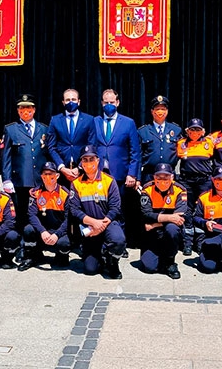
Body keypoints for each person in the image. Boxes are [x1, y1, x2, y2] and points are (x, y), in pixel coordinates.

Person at [69, 145, 125, 279]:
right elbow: (74, 210)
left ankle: (112, 262)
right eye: (85, 160)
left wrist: (101, 226)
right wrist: (93, 223)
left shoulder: (109, 181)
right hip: (89, 226)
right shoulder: (76, 184)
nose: (89, 163)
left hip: (108, 223)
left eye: (91, 159)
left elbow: (115, 208)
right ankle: (100, 255)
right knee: (90, 269)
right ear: (81, 163)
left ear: (98, 160)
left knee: (118, 239)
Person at [93, 89, 141, 247]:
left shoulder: (128, 123)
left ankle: (120, 243)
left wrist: (132, 174)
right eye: (106, 102)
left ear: (118, 103)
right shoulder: (95, 121)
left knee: (119, 209)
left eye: (112, 102)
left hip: (120, 175)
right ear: (101, 103)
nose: (109, 105)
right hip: (98, 174)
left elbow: (135, 151)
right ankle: (101, 240)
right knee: (98, 207)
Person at [1, 94, 49, 237]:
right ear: (18, 111)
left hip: (40, 181)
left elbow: (47, 153)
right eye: (21, 108)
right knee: (21, 214)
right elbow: (6, 157)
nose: (25, 111)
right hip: (20, 181)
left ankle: (38, 245)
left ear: (34, 109)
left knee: (41, 213)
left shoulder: (44, 129)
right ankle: (22, 246)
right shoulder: (11, 129)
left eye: (28, 107)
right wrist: (6, 179)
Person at [18, 162, 70, 271]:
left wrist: (57, 234)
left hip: (57, 232)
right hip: (42, 232)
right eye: (45, 174)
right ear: (41, 176)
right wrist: (42, 231)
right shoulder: (36, 193)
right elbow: (31, 215)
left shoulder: (65, 193)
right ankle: (32, 256)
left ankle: (61, 257)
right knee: (28, 229)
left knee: (64, 244)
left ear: (57, 175)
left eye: (51, 174)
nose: (48, 177)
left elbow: (68, 219)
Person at [139, 163, 187, 279]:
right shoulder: (146, 190)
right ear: (154, 177)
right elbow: (146, 214)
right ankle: (160, 257)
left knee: (172, 228)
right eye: (159, 177)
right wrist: (169, 218)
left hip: (168, 232)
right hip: (152, 235)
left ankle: (170, 261)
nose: (162, 180)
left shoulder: (181, 190)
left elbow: (179, 218)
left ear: (172, 177)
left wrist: (155, 223)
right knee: (149, 268)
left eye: (165, 177)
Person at [176, 118, 215, 255]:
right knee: (187, 211)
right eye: (192, 129)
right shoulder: (181, 144)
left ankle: (200, 242)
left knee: (202, 211)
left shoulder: (209, 143)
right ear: (187, 131)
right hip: (187, 182)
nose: (195, 132)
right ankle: (187, 242)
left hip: (204, 181)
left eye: (198, 129)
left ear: (203, 131)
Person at [46, 89, 96, 184]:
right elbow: (51, 146)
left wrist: (80, 167)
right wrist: (62, 167)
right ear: (63, 102)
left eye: (73, 99)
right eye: (68, 100)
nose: (71, 102)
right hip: (62, 172)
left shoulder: (89, 120)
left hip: (83, 171)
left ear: (79, 101)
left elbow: (92, 145)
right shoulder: (55, 120)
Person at [138, 95, 182, 184]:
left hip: (169, 175)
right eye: (157, 109)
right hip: (149, 175)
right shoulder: (143, 131)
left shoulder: (176, 130)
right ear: (152, 111)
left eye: (163, 109)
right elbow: (138, 157)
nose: (160, 112)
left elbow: (181, 152)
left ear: (167, 111)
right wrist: (138, 178)